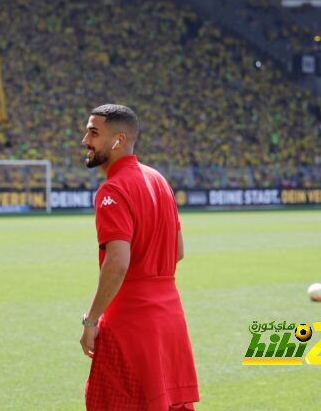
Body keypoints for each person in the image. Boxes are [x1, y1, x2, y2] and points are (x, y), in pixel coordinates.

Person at [79, 104, 199, 411]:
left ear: (118, 140)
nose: (85, 140)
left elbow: (118, 263)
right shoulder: (159, 180)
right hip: (170, 319)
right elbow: (179, 251)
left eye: (94, 132)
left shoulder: (113, 190)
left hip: (130, 323)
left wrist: (91, 320)